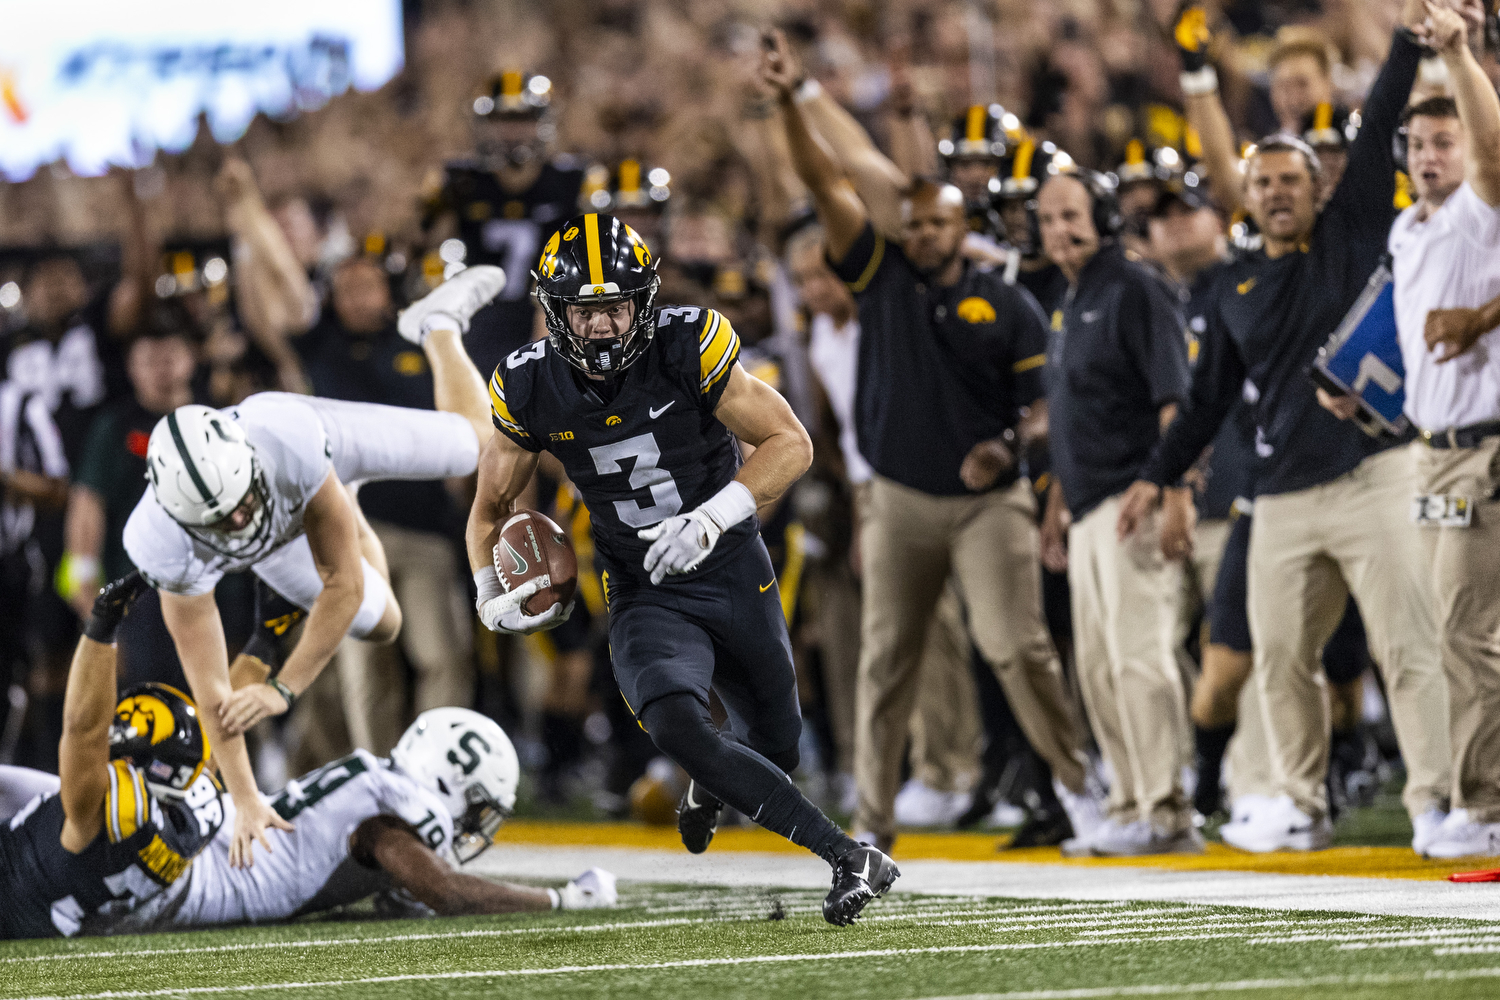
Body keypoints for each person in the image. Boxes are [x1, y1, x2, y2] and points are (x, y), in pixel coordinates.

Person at [463, 209, 897, 926]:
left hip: (727, 559)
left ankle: (710, 785)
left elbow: (791, 442)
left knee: (777, 748)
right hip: (640, 582)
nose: (602, 326)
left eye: (616, 307)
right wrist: (487, 588)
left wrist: (713, 517)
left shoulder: (688, 343)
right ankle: (850, 856)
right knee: (673, 719)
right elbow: (490, 507)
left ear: (645, 300)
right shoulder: (529, 383)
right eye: (584, 310)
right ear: (554, 310)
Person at [1121, 0, 1452, 854]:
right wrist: (1159, 474)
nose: (1273, 194)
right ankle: (1300, 801)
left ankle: (1436, 801)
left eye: (1289, 181)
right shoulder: (1233, 285)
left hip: (1374, 472)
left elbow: (1380, 119)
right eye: (1261, 182)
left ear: (1319, 189)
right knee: (1278, 660)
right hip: (1280, 494)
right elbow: (1204, 404)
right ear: (1249, 196)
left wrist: (1411, 41)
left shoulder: (1349, 235)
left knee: (1407, 646)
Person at [764, 31, 1098, 856]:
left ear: (961, 224)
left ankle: (1078, 787)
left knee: (1017, 649)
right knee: (886, 663)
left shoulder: (1005, 296)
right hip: (903, 499)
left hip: (989, 501)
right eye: (910, 224)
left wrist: (1010, 448)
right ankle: (873, 820)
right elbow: (827, 179)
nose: (921, 236)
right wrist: (789, 105)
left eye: (934, 224)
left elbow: (1042, 403)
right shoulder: (878, 274)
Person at [123, 267, 505, 868]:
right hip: (291, 532)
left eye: (242, 500)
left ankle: (436, 326)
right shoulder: (161, 544)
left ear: (246, 461)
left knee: (478, 444)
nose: (239, 521)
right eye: (219, 519)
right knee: (382, 624)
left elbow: (341, 584)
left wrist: (284, 687)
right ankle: (331, 540)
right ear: (180, 516)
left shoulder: (285, 441)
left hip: (327, 455)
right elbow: (213, 690)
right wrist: (247, 801)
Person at [1325, 6, 1500, 858]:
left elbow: (1496, 158)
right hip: (1433, 453)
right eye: (1419, 145)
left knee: (1466, 635)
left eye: (1445, 143)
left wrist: (1461, 55)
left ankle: (1486, 804)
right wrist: (1364, 401)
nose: (1430, 157)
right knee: (1457, 631)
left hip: (1482, 449)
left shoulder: (1478, 210)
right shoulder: (1407, 226)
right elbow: (1418, 355)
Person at [101, 707, 617, 931]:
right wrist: (562, 899)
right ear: (450, 785)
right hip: (176, 872)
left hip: (185, 827)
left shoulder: (372, 777)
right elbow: (447, 891)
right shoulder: (390, 819)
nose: (472, 826)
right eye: (477, 809)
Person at [1035, 168, 1199, 856]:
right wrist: (1056, 506)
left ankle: (1167, 810)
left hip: (1134, 497)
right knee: (1101, 668)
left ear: (1102, 215)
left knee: (1139, 658)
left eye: (1071, 215)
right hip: (1089, 506)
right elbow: (1074, 418)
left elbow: (1176, 399)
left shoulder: (1135, 286)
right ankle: (1132, 801)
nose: (1059, 230)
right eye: (1047, 219)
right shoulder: (1072, 299)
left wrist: (1175, 489)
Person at [293, 254, 475, 755]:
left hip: (424, 529)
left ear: (388, 291)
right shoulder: (320, 348)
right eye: (345, 288)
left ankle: (435, 769)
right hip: (348, 535)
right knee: (367, 674)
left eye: (367, 285)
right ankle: (381, 782)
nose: (357, 298)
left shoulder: (423, 339)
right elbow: (277, 299)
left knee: (442, 657)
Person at [0, 574, 224, 940]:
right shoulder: (184, 818)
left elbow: (83, 728)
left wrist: (103, 622)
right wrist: (265, 646)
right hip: (46, 921)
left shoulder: (102, 808)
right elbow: (218, 734)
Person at [422, 71, 586, 378]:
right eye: (503, 120)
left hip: (552, 312)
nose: (513, 131)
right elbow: (421, 243)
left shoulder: (574, 180)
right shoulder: (459, 180)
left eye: (522, 119)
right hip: (477, 315)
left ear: (542, 122)